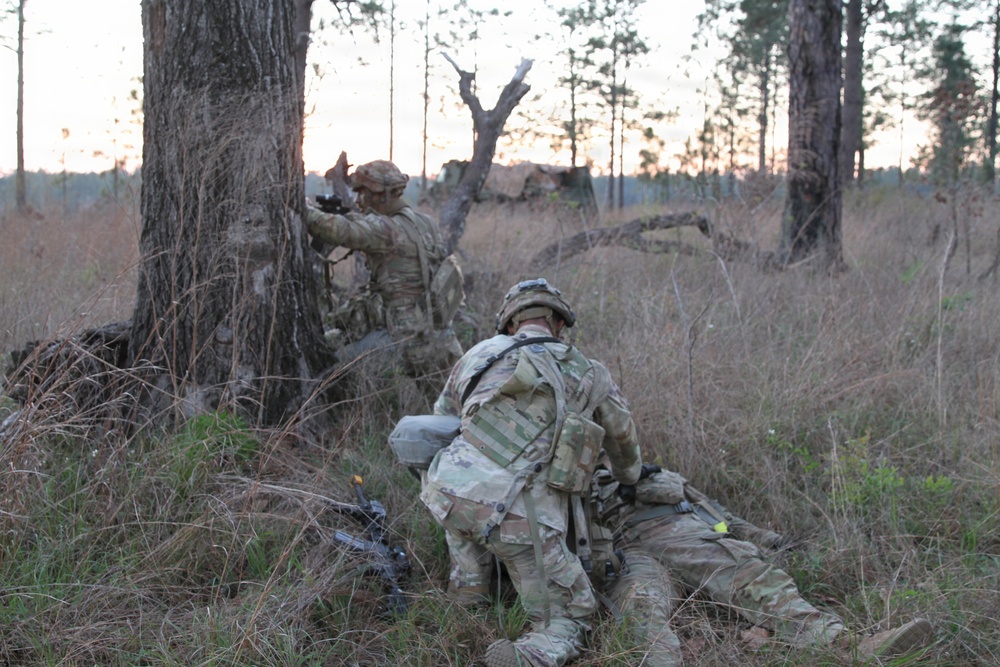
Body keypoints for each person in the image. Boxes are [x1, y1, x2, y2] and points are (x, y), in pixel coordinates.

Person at [420, 278, 644, 667]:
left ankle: (469, 597)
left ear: (511, 323)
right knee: (571, 616)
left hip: (447, 494)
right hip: (519, 520)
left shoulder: (477, 355)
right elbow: (625, 450)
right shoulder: (589, 373)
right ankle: (528, 654)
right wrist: (628, 478)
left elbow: (442, 421)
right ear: (559, 323)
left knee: (469, 530)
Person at [589, 462, 936, 666]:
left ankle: (848, 646)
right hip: (625, 552)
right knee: (640, 607)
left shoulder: (656, 473)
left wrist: (771, 539)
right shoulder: (574, 485)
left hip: (678, 533)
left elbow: (717, 513)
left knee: (749, 576)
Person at [304, 159, 463, 384]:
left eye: (363, 194)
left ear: (381, 195)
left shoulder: (387, 230)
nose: (358, 201)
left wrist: (305, 209)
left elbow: (338, 230)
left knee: (333, 366)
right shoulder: (425, 222)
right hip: (438, 334)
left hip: (405, 339)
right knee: (447, 401)